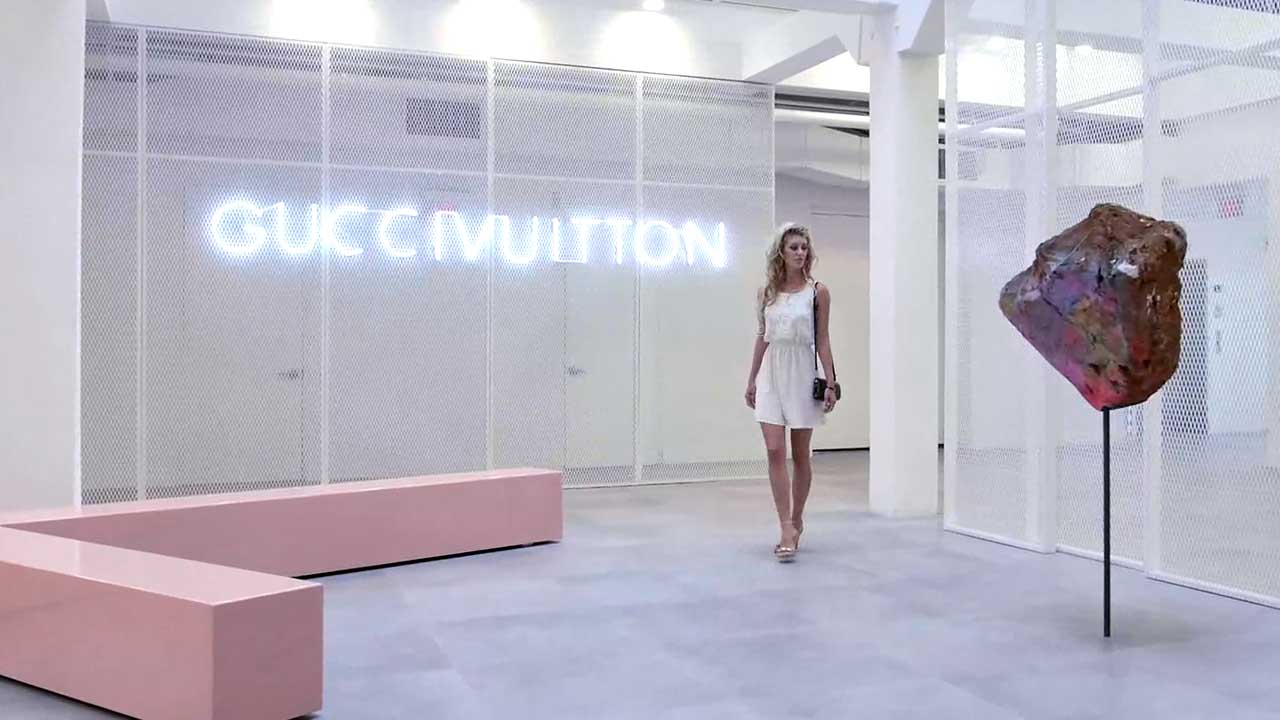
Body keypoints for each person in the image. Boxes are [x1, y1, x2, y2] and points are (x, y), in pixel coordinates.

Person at [744, 223, 838, 562]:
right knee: (774, 450)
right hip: (772, 373)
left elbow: (823, 339)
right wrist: (752, 379)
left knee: (800, 455)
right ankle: (784, 526)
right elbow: (762, 336)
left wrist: (831, 382)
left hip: (801, 371)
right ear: (780, 252)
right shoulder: (767, 293)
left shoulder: (817, 292)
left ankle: (797, 519)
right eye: (794, 247)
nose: (800, 252)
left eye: (804, 247)